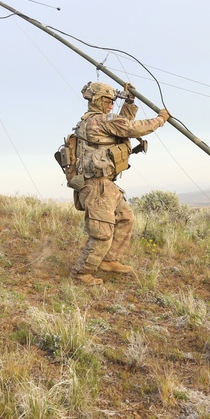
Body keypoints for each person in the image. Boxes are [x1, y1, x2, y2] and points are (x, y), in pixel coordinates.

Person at [71, 81, 170, 286]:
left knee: (125, 217)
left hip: (106, 184)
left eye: (112, 101)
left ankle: (108, 260)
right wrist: (160, 119)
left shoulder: (100, 121)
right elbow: (130, 128)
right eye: (107, 101)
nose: (110, 105)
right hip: (97, 186)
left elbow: (120, 125)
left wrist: (129, 101)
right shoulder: (98, 121)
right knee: (102, 233)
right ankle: (82, 273)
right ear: (97, 100)